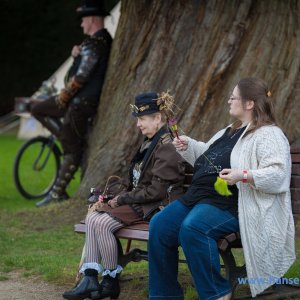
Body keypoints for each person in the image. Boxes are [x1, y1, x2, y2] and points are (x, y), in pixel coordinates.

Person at [148, 77, 296, 300]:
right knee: (160, 225)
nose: (228, 101)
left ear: (249, 104)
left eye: (233, 97)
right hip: (199, 197)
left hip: (233, 204)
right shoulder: (228, 131)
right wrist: (189, 146)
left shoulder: (269, 134)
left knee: (194, 227)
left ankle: (217, 293)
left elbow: (278, 174)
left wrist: (243, 175)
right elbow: (206, 156)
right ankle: (164, 296)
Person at [62, 92, 186, 300]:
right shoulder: (149, 142)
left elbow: (156, 192)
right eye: (138, 119)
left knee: (102, 223)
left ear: (157, 118)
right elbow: (136, 180)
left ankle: (110, 282)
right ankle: (90, 279)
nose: (138, 124)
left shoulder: (166, 147)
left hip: (155, 207)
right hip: (140, 200)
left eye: (142, 119)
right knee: (93, 218)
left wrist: (122, 199)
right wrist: (113, 194)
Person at [31, 0, 112, 207]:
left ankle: (57, 193)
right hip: (75, 101)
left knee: (73, 152)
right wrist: (76, 54)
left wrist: (64, 96)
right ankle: (66, 137)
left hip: (79, 103)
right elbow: (81, 68)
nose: (81, 24)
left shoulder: (97, 42)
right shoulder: (93, 42)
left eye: (84, 19)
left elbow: (82, 76)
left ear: (92, 18)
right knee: (37, 108)